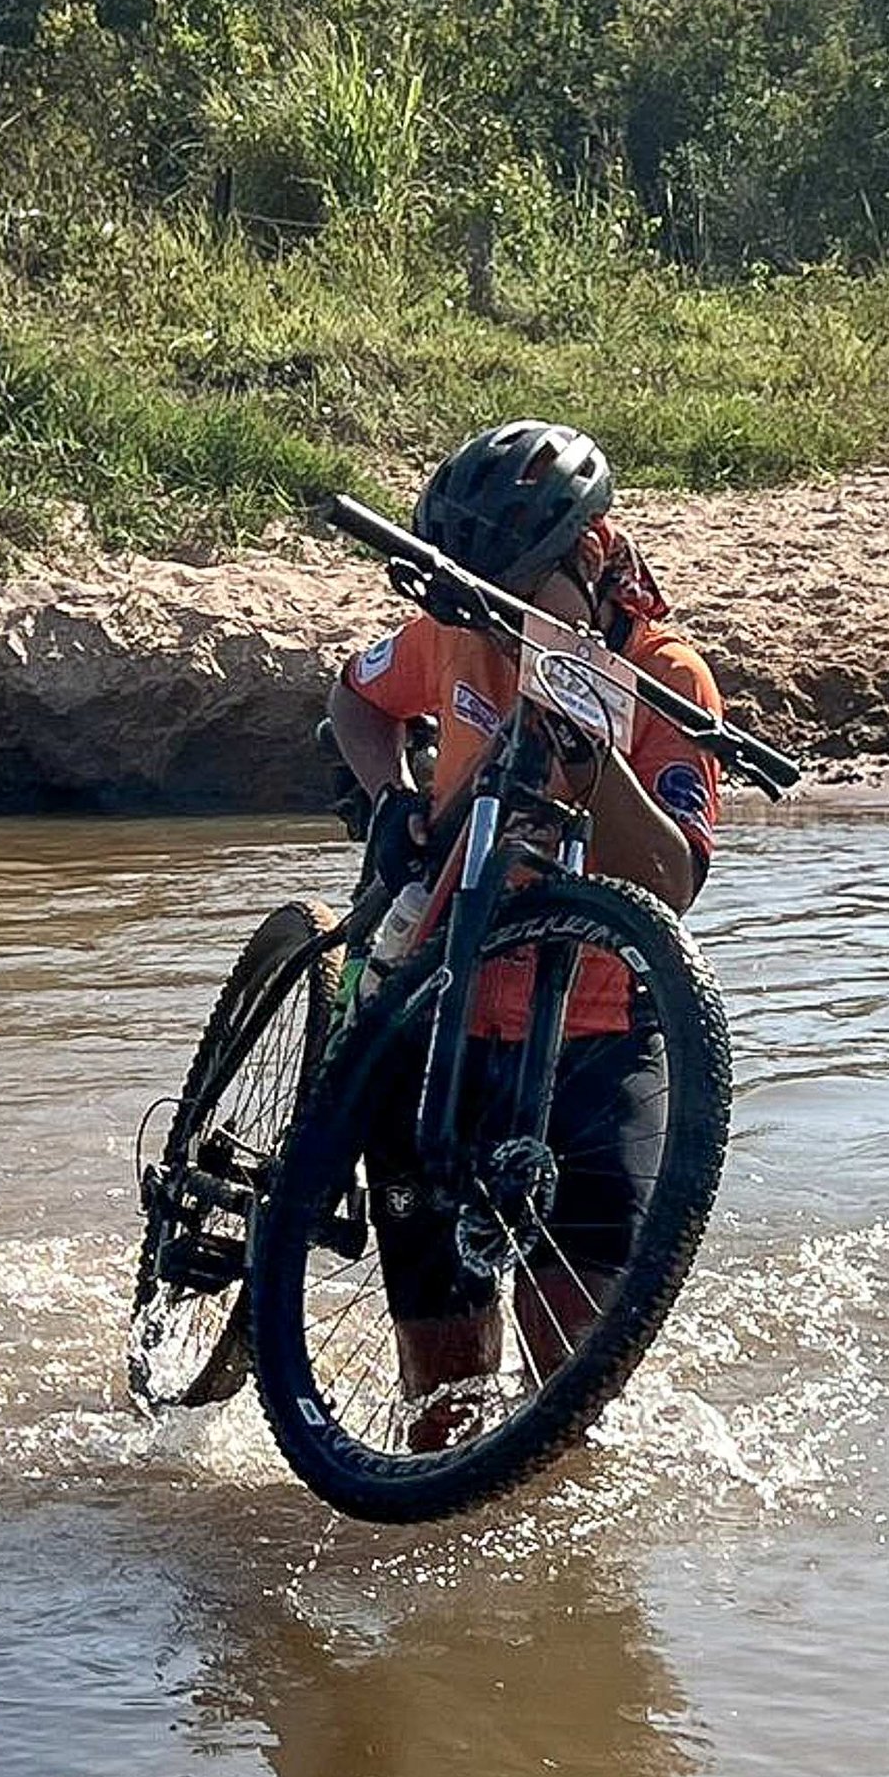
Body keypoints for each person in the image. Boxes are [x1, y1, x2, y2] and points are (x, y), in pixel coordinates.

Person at [324, 420, 725, 1437]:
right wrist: (392, 796)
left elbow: (671, 880)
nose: (496, 622)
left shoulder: (667, 677)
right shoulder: (457, 630)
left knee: (574, 1400)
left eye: (515, 594)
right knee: (442, 1408)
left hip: (595, 1035)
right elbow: (356, 696)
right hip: (442, 1015)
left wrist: (590, 749)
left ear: (589, 557)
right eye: (477, 595)